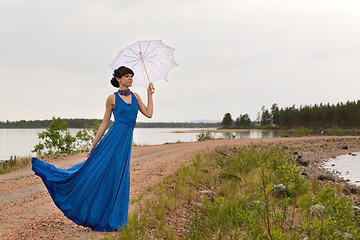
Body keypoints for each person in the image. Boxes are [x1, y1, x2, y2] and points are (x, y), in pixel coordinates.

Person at [32, 66, 154, 231]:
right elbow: (104, 123)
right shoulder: (112, 98)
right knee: (98, 172)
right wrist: (93, 144)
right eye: (127, 76)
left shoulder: (136, 96)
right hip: (112, 140)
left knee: (119, 176)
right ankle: (94, 212)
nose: (131, 79)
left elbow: (149, 113)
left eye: (132, 76)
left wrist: (149, 95)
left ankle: (116, 220)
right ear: (119, 79)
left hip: (125, 143)